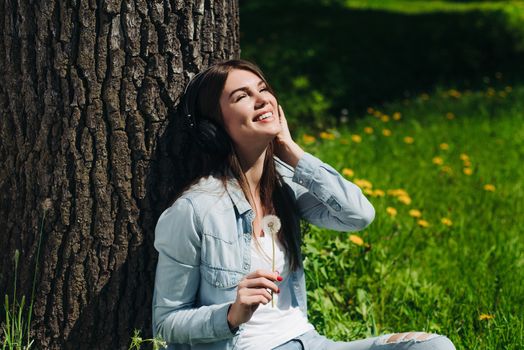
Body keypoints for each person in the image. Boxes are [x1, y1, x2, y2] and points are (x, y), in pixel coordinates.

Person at [152, 59, 456, 350]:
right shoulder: (194, 210)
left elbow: (358, 215)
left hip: (309, 342)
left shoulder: (285, 187)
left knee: (434, 346)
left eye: (263, 89)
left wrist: (289, 148)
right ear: (213, 128)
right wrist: (231, 314)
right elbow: (166, 324)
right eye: (242, 96)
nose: (261, 100)